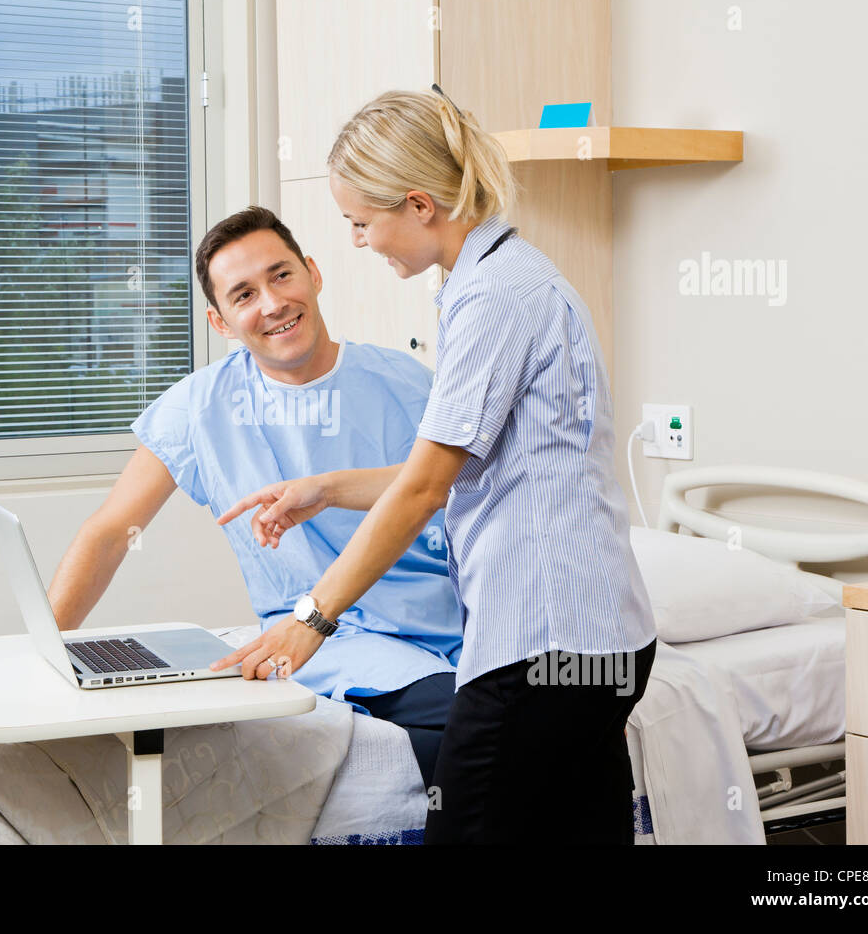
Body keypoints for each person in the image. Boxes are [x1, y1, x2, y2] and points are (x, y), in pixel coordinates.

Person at [213, 88, 658, 844]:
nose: (359, 241)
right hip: (595, 635)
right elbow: (452, 463)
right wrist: (324, 490)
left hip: (542, 644)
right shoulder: (497, 280)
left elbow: (424, 487)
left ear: (418, 204)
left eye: (362, 222)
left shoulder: (495, 298)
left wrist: (311, 620)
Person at [0, 206, 462, 788]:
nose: (272, 303)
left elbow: (462, 495)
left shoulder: (407, 381)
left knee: (505, 728)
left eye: (282, 276)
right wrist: (35, 654)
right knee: (479, 722)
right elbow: (111, 530)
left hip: (448, 619)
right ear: (221, 321)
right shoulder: (201, 406)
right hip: (327, 638)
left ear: (313, 273)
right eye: (244, 294)